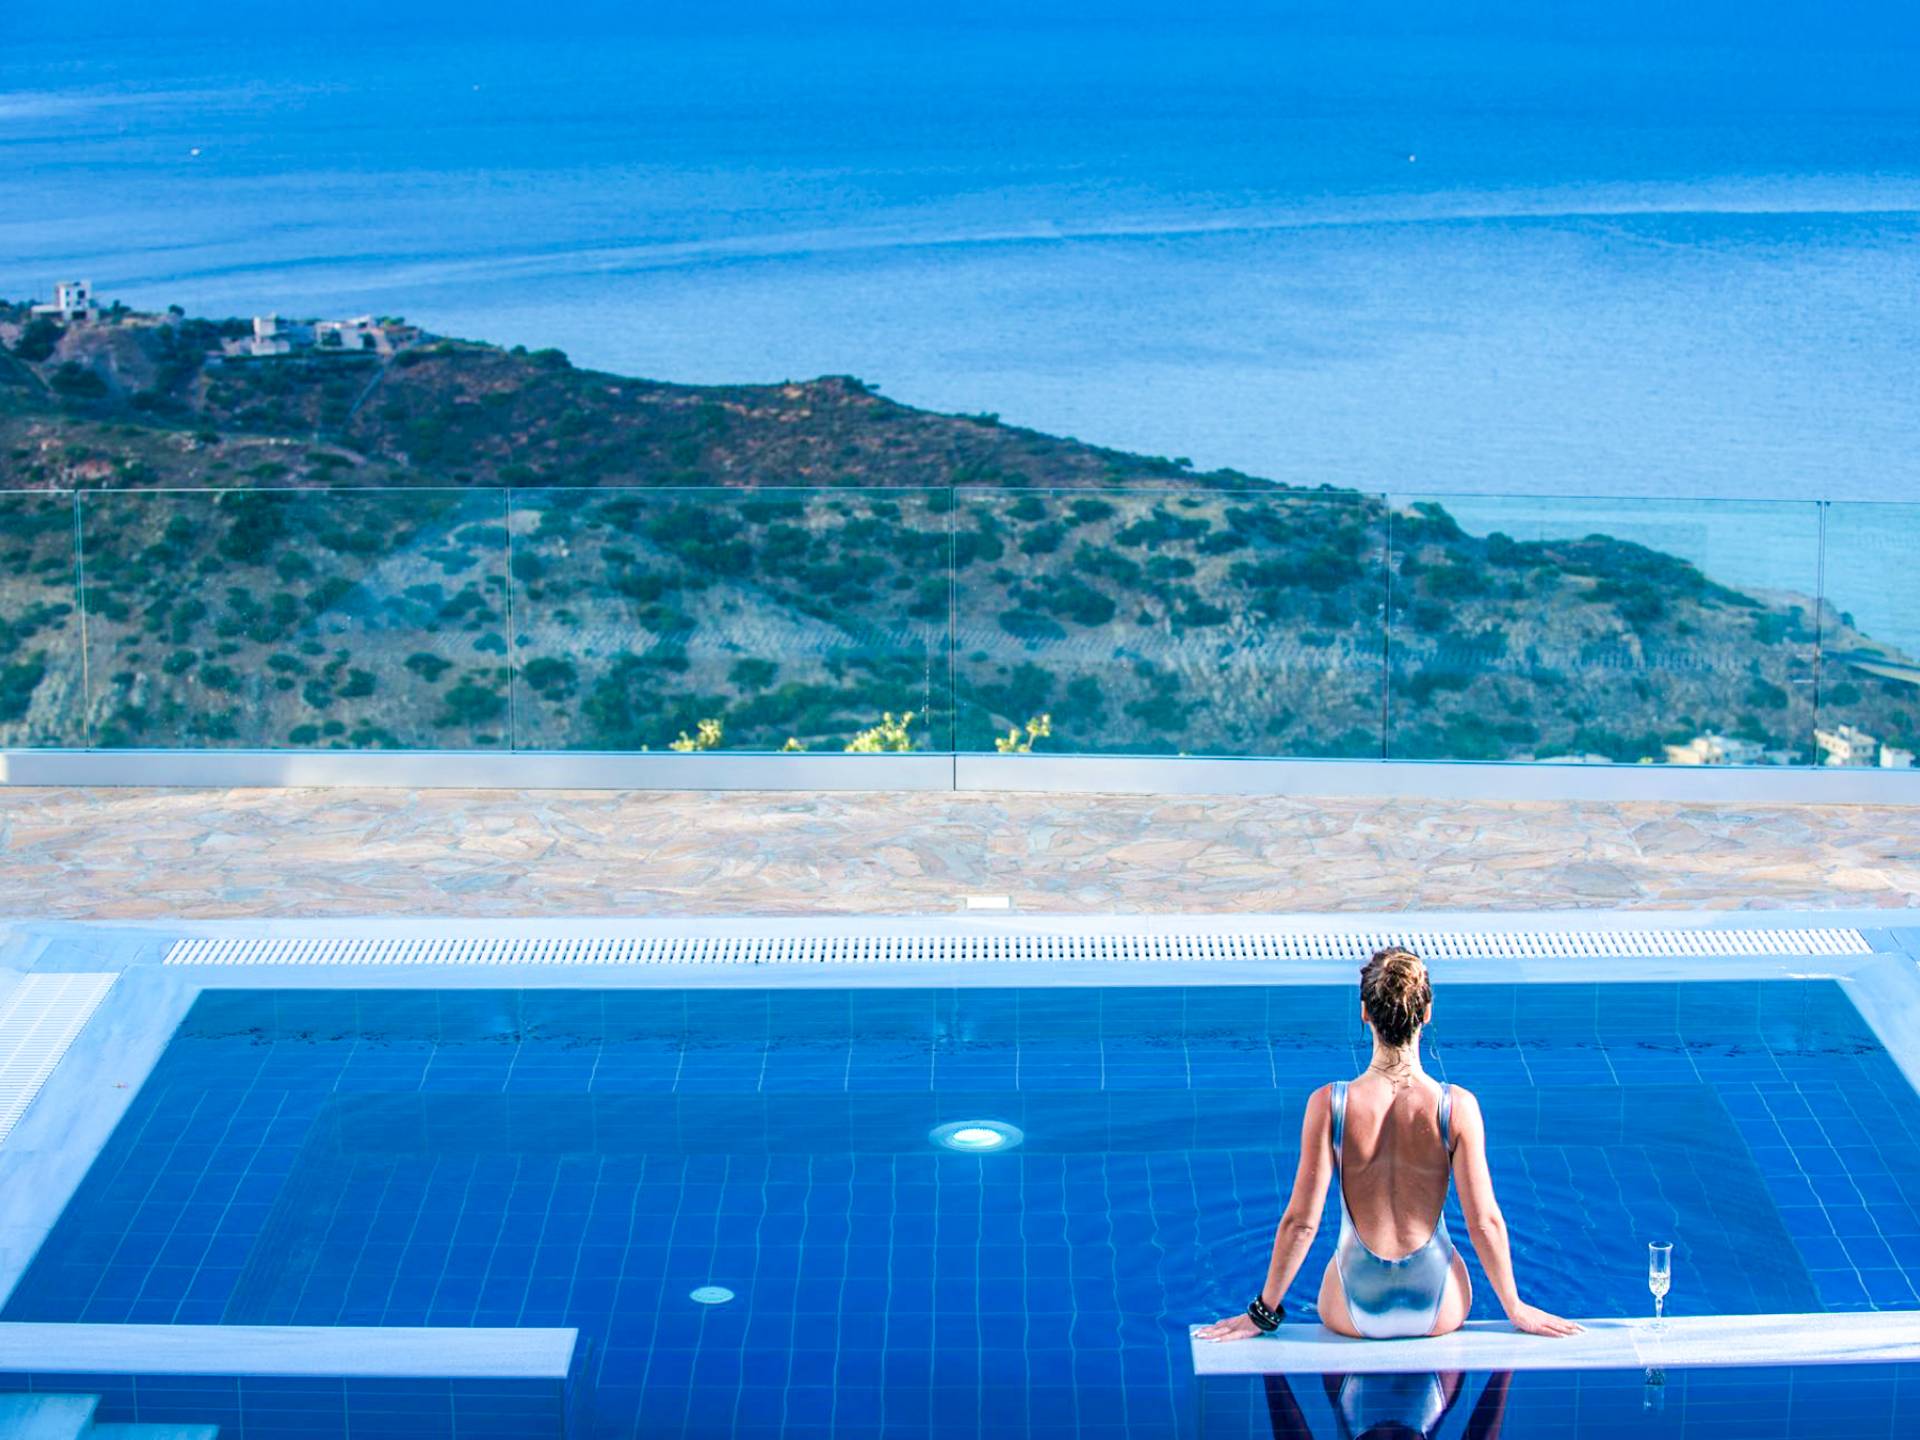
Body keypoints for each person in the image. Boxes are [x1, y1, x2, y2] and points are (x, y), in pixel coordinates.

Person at [1197, 948, 1580, 1341]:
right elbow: (1484, 1221)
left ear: (1365, 1012)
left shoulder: (1329, 1105)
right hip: (1439, 1304)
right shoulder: (1457, 1107)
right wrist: (1515, 1307)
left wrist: (1262, 1313)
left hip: (1352, 1306)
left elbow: (1301, 1224)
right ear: (1426, 1012)